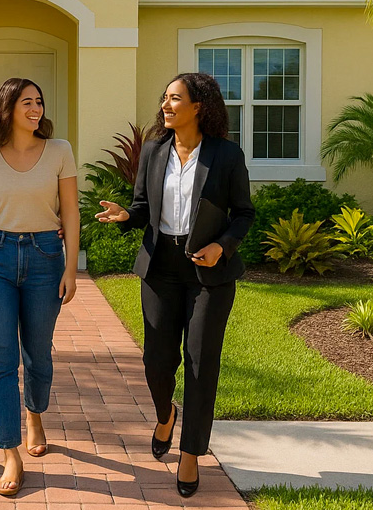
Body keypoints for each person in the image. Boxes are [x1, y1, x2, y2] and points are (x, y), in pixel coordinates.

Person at [95, 72, 254, 498]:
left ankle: (190, 453)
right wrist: (127, 216)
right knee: (156, 360)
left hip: (209, 273)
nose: (166, 105)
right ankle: (165, 414)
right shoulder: (154, 150)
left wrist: (223, 246)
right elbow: (144, 207)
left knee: (201, 362)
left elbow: (244, 213)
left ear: (199, 106)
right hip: (161, 267)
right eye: (164, 98)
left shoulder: (225, 155)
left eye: (175, 99)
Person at [0, 78, 80, 497]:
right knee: (1, 361)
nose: (35, 109)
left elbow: (70, 213)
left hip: (45, 258)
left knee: (38, 356)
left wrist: (70, 268)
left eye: (39, 101)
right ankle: (10, 451)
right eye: (26, 102)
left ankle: (35, 413)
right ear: (7, 108)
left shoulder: (59, 151)